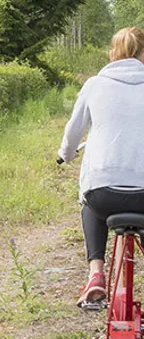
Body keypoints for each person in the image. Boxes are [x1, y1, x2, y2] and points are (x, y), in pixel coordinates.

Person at [58, 26, 144, 307]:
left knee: (89, 197)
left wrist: (66, 155)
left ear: (112, 54)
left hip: (103, 195)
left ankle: (96, 273)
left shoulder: (94, 84)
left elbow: (73, 132)